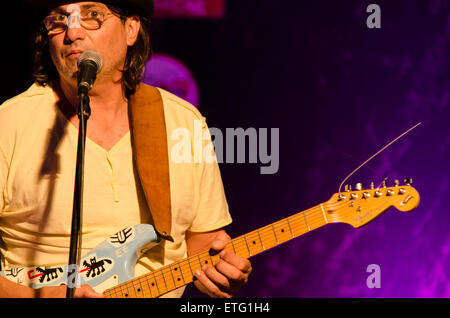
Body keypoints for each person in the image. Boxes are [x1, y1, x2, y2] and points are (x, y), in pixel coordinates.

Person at [0, 0, 251, 298]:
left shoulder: (183, 122)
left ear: (131, 29)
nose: (73, 31)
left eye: (93, 15)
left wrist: (224, 270)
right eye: (59, 19)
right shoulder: (10, 123)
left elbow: (203, 241)